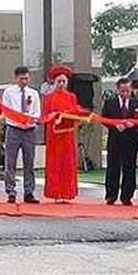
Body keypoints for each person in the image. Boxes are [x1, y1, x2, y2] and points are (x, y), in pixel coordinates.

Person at [41, 65, 85, 203]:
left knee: (67, 163)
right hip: (54, 135)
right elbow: (45, 116)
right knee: (55, 163)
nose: (61, 84)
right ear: (54, 82)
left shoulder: (72, 97)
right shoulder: (49, 98)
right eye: (58, 81)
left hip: (68, 135)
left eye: (63, 81)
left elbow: (76, 113)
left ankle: (67, 193)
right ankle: (55, 193)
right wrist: (54, 116)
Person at [0, 65, 41, 204]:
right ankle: (10, 191)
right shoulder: (9, 92)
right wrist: (19, 118)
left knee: (29, 162)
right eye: (21, 79)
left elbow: (37, 112)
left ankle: (29, 191)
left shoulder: (33, 93)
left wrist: (30, 118)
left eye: (26, 79)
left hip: (29, 130)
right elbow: (6, 110)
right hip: (14, 129)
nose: (24, 81)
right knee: (10, 161)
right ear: (16, 78)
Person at [101, 77, 138, 206]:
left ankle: (127, 196)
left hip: (130, 140)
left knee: (129, 169)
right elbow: (104, 119)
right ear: (118, 90)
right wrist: (114, 125)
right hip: (115, 140)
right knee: (113, 168)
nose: (125, 93)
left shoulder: (137, 104)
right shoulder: (110, 103)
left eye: (127, 90)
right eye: (122, 90)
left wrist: (133, 124)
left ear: (131, 90)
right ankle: (111, 196)